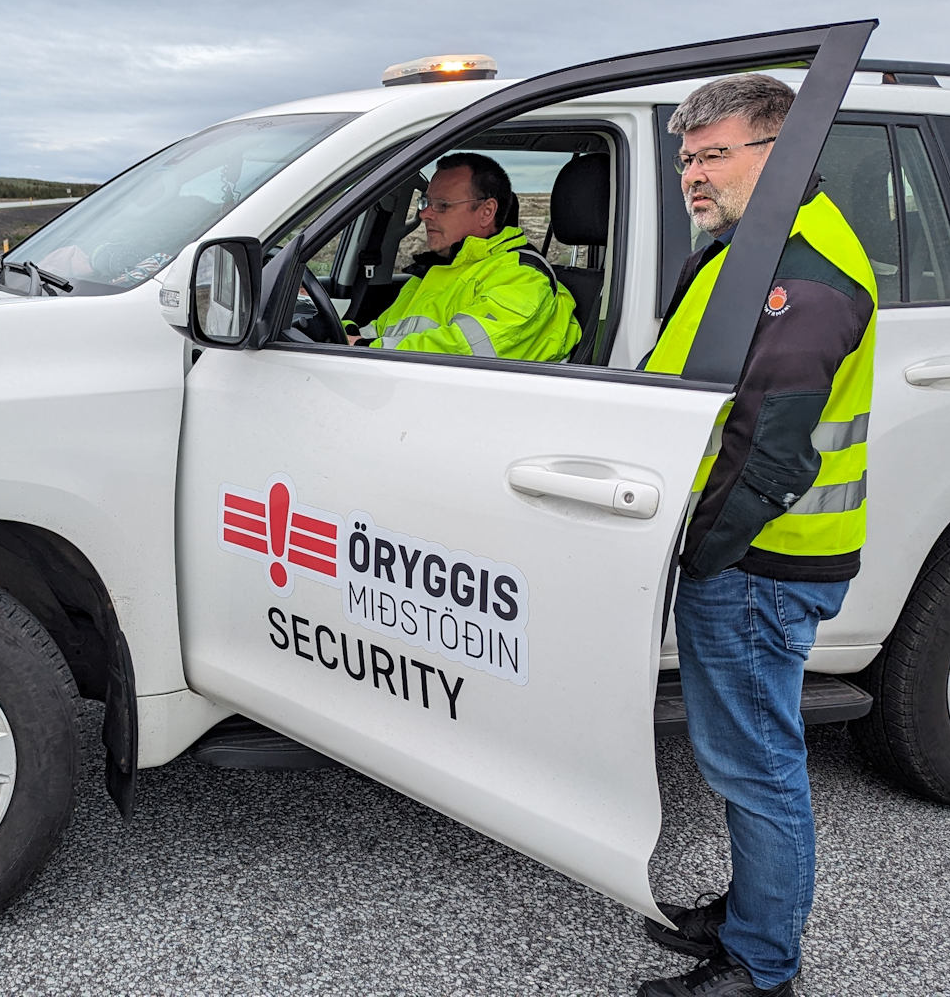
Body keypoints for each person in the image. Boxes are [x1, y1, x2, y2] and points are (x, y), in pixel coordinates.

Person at [636, 74, 878, 997]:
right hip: (756, 560)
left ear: (784, 154)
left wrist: (702, 551)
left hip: (758, 564)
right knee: (747, 757)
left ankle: (762, 965)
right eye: (688, 158)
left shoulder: (800, 276)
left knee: (755, 765)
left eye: (716, 155)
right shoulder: (755, 246)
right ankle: (750, 919)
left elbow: (771, 457)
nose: (693, 175)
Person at [346, 153, 581, 361]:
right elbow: (379, 331)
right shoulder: (436, 272)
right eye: (426, 202)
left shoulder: (524, 278)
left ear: (486, 212)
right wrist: (339, 331)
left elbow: (462, 351)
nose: (424, 213)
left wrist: (365, 347)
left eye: (442, 205)